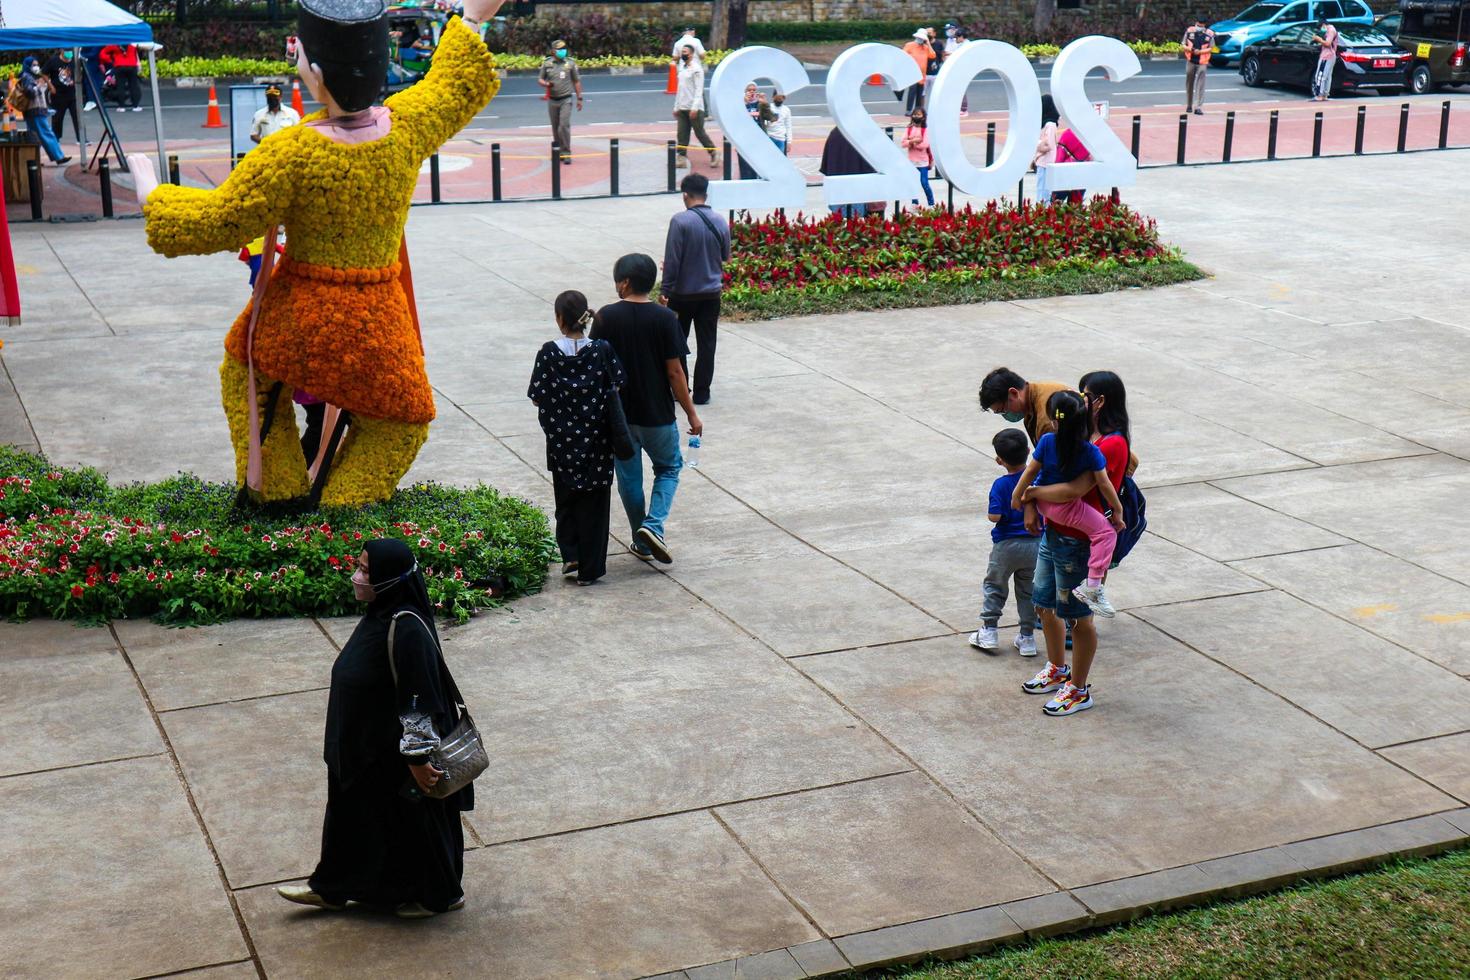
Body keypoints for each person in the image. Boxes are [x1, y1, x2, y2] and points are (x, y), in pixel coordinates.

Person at [130, 0, 505, 507]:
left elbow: (217, 221)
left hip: (299, 312)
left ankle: (278, 488)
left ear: (314, 71)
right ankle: (346, 508)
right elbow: (453, 85)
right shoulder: (408, 127)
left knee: (245, 373)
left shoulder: (291, 152)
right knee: (402, 421)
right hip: (379, 316)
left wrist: (152, 194)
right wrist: (474, 19)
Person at [276, 538, 472, 918]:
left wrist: (416, 756)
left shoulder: (407, 626)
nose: (358, 575)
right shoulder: (380, 615)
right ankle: (333, 887)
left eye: (367, 571)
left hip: (390, 753)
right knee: (355, 818)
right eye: (360, 566)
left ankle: (439, 895)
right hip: (364, 748)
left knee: (414, 824)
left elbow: (419, 695)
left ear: (391, 580)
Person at [1017, 372, 1134, 717]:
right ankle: (1058, 668)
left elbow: (1071, 491)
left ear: (1099, 402)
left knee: (1079, 619)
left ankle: (1079, 690)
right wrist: (1029, 500)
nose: (1078, 398)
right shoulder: (1074, 437)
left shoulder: (1107, 444)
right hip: (1054, 532)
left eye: (1085, 394)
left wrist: (1031, 495)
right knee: (1043, 603)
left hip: (1078, 541)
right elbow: (1039, 471)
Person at [591, 254, 703, 564]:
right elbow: (675, 372)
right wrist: (692, 412)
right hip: (657, 415)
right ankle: (653, 526)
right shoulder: (666, 318)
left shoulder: (605, 318)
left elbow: (595, 368)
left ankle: (642, 540)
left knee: (629, 478)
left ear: (624, 282)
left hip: (620, 418)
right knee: (668, 468)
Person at [528, 290, 624, 585]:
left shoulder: (548, 352)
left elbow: (537, 396)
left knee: (566, 499)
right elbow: (617, 384)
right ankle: (590, 570)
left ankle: (571, 554)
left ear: (559, 318)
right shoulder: (602, 349)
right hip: (597, 442)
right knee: (595, 504)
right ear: (585, 317)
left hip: (561, 444)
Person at [1011, 390, 1126, 619]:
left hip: (1044, 503)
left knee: (1046, 599)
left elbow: (1031, 470)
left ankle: (1091, 587)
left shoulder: (1046, 441)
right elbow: (1104, 484)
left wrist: (1019, 495)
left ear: (1054, 420)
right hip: (1065, 508)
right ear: (1084, 418)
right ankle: (1092, 586)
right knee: (1106, 533)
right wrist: (1118, 511)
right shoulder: (1090, 451)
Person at [969, 428, 1040, 657]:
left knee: (995, 586)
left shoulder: (1000, 485)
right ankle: (1027, 637)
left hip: (1006, 546)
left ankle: (989, 631)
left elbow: (995, 516)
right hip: (1035, 544)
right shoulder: (1038, 478)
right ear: (1029, 452)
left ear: (999, 460)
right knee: (1028, 591)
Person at [660, 173, 729, 406]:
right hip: (711, 294)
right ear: (706, 194)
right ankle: (702, 392)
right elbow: (725, 256)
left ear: (685, 195)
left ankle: (682, 388)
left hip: (682, 295)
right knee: (707, 343)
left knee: (678, 342)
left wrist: (665, 290)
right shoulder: (720, 221)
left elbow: (673, 260)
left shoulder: (680, 221)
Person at [15, 58, 70, 165]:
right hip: (35, 111)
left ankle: (33, 160)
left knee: (34, 137)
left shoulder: (26, 76)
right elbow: (30, 92)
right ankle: (58, 157)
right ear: (28, 65)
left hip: (31, 111)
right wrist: (39, 86)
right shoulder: (27, 77)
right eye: (34, 65)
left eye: (37, 64)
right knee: (47, 133)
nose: (36, 67)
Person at [539, 39, 583, 165]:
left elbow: (576, 81)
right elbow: (540, 79)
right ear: (553, 51)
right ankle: (558, 151)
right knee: (555, 127)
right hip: (552, 100)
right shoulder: (547, 63)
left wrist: (580, 98)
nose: (562, 51)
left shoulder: (570, 64)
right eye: (559, 49)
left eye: (564, 49)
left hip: (566, 99)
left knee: (563, 126)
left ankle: (566, 152)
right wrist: (546, 84)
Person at [673, 44, 717, 169]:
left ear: (691, 54)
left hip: (694, 108)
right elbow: (679, 89)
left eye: (685, 52)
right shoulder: (682, 68)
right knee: (682, 134)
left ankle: (713, 152)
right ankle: (681, 157)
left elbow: (699, 90)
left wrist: (695, 107)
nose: (683, 54)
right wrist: (676, 106)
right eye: (682, 52)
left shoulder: (697, 69)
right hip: (682, 106)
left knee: (699, 133)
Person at [819, 126, 875, 219]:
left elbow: (826, 163)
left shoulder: (834, 133)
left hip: (837, 185)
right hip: (857, 185)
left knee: (838, 220)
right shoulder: (861, 133)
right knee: (855, 221)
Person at [737, 83, 776, 179]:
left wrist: (765, 104)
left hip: (758, 141)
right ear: (744, 92)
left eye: (754, 90)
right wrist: (743, 104)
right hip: (744, 142)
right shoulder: (739, 105)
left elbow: (772, 118)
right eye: (749, 90)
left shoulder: (760, 105)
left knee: (758, 167)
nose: (752, 92)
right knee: (745, 169)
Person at [42, 51, 80, 144]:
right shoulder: (53, 61)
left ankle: (81, 138)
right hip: (58, 94)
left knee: (77, 116)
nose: (69, 54)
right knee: (58, 117)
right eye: (67, 52)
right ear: (62, 51)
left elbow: (78, 72)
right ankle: (56, 137)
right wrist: (50, 86)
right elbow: (43, 73)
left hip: (71, 93)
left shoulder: (74, 61)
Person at [1052, 117, 1091, 204]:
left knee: (1056, 203)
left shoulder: (1067, 134)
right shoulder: (1088, 135)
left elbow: (1059, 158)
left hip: (1066, 174)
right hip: (1082, 174)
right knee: (1075, 205)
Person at [1181, 17, 1214, 115]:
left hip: (1202, 62)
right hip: (1191, 60)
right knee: (1189, 83)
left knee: (1200, 85)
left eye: (1202, 26)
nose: (1200, 27)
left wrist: (1200, 52)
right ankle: (1189, 105)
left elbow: (1211, 48)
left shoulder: (1210, 34)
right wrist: (1190, 50)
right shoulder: (1189, 31)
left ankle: (1198, 107)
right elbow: (1183, 45)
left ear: (1205, 25)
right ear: (1196, 23)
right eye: (1198, 25)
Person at [901, 108, 934, 207]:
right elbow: (903, 143)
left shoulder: (925, 130)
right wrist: (915, 141)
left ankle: (931, 204)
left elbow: (924, 145)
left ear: (923, 117)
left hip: (923, 162)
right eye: (914, 114)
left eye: (918, 114)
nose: (916, 116)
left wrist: (911, 142)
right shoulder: (909, 129)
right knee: (913, 184)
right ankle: (914, 204)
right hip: (912, 162)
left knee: (924, 183)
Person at [1031, 94, 1060, 202]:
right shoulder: (1049, 123)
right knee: (1042, 189)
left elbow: (1048, 145)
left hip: (1045, 162)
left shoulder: (1050, 124)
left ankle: (1043, 212)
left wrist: (1036, 143)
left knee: (1043, 191)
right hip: (1043, 161)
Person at [99, 42, 141, 110]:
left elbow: (102, 54)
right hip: (132, 65)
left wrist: (110, 60)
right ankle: (135, 106)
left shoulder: (114, 44)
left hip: (119, 65)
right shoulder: (133, 44)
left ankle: (121, 106)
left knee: (120, 86)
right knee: (133, 86)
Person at [902, 29, 934, 113]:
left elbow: (932, 55)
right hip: (912, 73)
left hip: (922, 74)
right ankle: (909, 110)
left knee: (919, 93)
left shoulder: (926, 47)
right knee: (912, 91)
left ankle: (918, 110)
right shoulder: (909, 45)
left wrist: (928, 43)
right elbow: (902, 56)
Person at [1311, 16, 1339, 101]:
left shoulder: (1330, 30)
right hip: (1330, 55)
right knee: (1327, 76)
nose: (1320, 29)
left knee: (1320, 75)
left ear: (1323, 25)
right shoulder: (1331, 29)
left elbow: (1327, 43)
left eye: (1320, 27)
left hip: (1327, 56)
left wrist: (1318, 39)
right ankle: (1325, 95)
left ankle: (1319, 95)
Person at [765, 89, 792, 154]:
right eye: (777, 97)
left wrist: (789, 142)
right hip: (769, 137)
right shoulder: (768, 107)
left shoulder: (786, 110)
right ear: (773, 97)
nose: (779, 99)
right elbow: (764, 123)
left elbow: (788, 126)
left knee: (780, 161)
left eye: (781, 97)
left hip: (781, 139)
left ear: (784, 98)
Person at [923, 27, 944, 106]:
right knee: (922, 94)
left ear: (934, 34)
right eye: (926, 33)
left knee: (935, 94)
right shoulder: (922, 44)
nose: (928, 35)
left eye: (929, 33)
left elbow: (940, 56)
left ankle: (935, 108)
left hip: (935, 73)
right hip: (924, 73)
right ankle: (921, 110)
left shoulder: (939, 43)